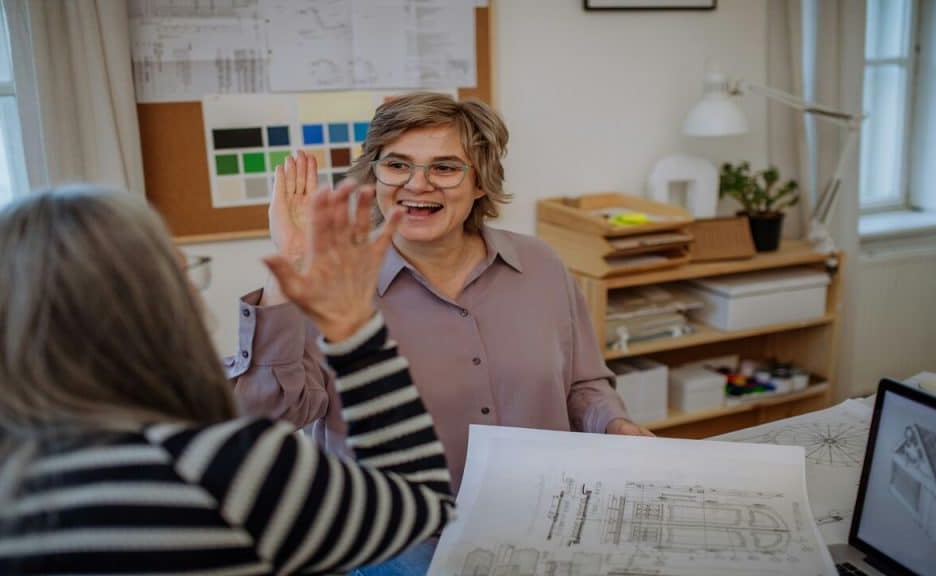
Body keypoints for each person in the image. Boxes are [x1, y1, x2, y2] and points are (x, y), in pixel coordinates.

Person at [0, 183, 454, 575]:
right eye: (184, 273)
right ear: (158, 307)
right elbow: (423, 507)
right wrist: (354, 330)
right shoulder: (227, 472)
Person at [228, 92, 653, 573]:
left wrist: (616, 426)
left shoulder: (541, 265)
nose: (418, 185)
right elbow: (262, 419)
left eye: (445, 168)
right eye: (397, 165)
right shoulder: (330, 282)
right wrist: (290, 263)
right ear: (374, 177)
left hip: (541, 533)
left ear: (480, 183)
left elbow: (583, 385)